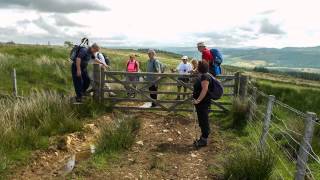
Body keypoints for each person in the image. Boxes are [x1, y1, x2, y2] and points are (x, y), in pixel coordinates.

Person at [192, 61, 212, 148]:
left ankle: (204, 139)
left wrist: (198, 100)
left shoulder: (205, 76)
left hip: (203, 103)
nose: (196, 67)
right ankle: (203, 138)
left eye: (198, 66)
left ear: (201, 67)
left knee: (204, 120)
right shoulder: (203, 75)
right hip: (201, 103)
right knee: (202, 119)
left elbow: (204, 90)